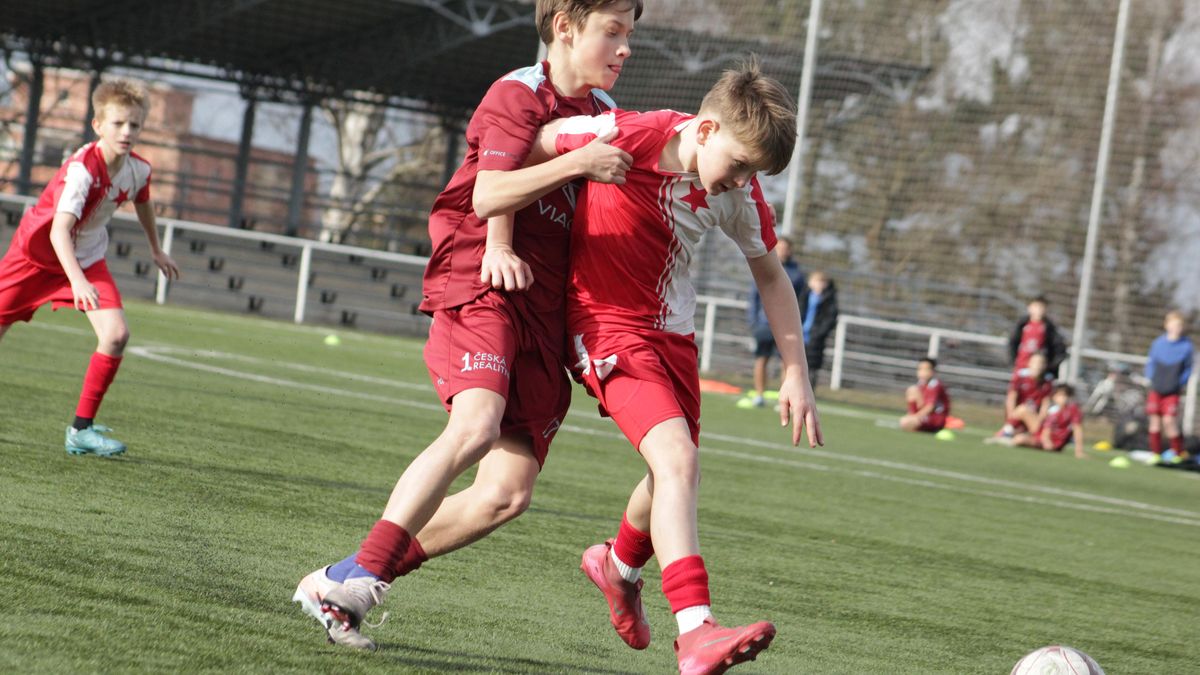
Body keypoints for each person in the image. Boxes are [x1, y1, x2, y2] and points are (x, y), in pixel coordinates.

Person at [292, 0, 642, 651]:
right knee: (476, 425)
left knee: (506, 494)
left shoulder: (605, 114)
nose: (625, 48)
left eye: (630, 34)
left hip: (542, 312)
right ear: (565, 27)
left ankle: (341, 578)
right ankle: (359, 582)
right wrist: (554, 187)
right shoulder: (518, 92)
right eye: (613, 32)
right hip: (483, 280)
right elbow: (488, 194)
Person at [529, 62, 822, 673]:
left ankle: (618, 566)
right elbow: (533, 140)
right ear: (706, 129)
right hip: (605, 327)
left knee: (672, 473)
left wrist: (795, 370)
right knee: (678, 462)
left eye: (753, 173)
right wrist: (503, 235)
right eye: (739, 165)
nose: (742, 181)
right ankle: (696, 631)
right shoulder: (627, 134)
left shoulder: (739, 195)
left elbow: (772, 278)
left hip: (674, 338)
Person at [0, 78, 180, 456]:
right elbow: (58, 232)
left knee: (116, 335)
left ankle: (80, 430)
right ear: (97, 125)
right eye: (118, 123)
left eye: (134, 125)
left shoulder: (138, 170)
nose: (127, 132)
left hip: (86, 259)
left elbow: (143, 200)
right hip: (35, 258)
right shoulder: (82, 170)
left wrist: (156, 249)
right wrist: (78, 281)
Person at [743, 233, 804, 407]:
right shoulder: (763, 267)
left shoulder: (797, 274)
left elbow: (800, 300)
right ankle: (759, 395)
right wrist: (753, 321)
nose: (782, 251)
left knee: (788, 362)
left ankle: (784, 399)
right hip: (764, 324)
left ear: (790, 251)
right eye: (780, 247)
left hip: (786, 327)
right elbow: (754, 296)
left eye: (785, 248)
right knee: (762, 359)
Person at [1145, 310, 1194, 461]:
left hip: (1172, 390)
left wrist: (1180, 383)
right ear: (1166, 325)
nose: (1176, 328)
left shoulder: (1186, 346)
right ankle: (1155, 453)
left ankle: (1177, 453)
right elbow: (1151, 363)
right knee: (1154, 421)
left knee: (1169, 421)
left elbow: (1188, 368)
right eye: (1173, 325)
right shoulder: (1158, 344)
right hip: (1156, 388)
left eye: (1179, 325)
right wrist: (1150, 378)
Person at [988, 351, 1053, 441]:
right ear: (1029, 363)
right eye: (1035, 362)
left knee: (1023, 410)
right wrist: (1011, 419)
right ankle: (1010, 432)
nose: (1038, 366)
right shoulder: (1020, 377)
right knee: (1022, 413)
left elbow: (1045, 407)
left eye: (1041, 363)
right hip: (1018, 419)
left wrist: (1038, 422)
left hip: (1034, 420)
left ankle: (1006, 432)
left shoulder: (1047, 382)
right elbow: (1011, 399)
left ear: (1045, 365)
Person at [1011, 383, 1086, 459]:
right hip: (1042, 438)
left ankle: (1011, 433)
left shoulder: (1073, 410)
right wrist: (1045, 440)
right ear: (1054, 397)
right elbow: (1047, 428)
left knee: (1019, 439)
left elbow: (1077, 429)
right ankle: (1010, 431)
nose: (1062, 398)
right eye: (1059, 395)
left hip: (1052, 442)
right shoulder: (1053, 410)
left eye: (1064, 395)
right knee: (1018, 436)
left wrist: (1079, 451)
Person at [1007, 295, 1066, 377]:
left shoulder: (1049, 328)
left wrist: (1049, 367)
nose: (1039, 310)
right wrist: (1013, 362)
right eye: (1036, 307)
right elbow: (1012, 343)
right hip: (1021, 368)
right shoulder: (1022, 325)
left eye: (1041, 307)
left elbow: (1059, 349)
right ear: (1029, 308)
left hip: (1040, 372)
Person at [798, 270, 838, 389]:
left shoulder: (829, 299)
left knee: (812, 368)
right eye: (816, 281)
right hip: (800, 335)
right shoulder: (804, 295)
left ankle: (809, 393)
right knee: (795, 366)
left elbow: (830, 319)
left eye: (821, 282)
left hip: (815, 339)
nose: (818, 285)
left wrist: (818, 334)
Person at [899, 357, 950, 433]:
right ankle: (912, 418)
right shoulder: (921, 384)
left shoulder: (935, 385)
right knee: (912, 390)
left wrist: (915, 417)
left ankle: (915, 421)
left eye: (925, 370)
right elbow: (921, 404)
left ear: (933, 371)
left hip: (936, 417)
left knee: (906, 422)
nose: (922, 372)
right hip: (925, 415)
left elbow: (930, 407)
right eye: (920, 369)